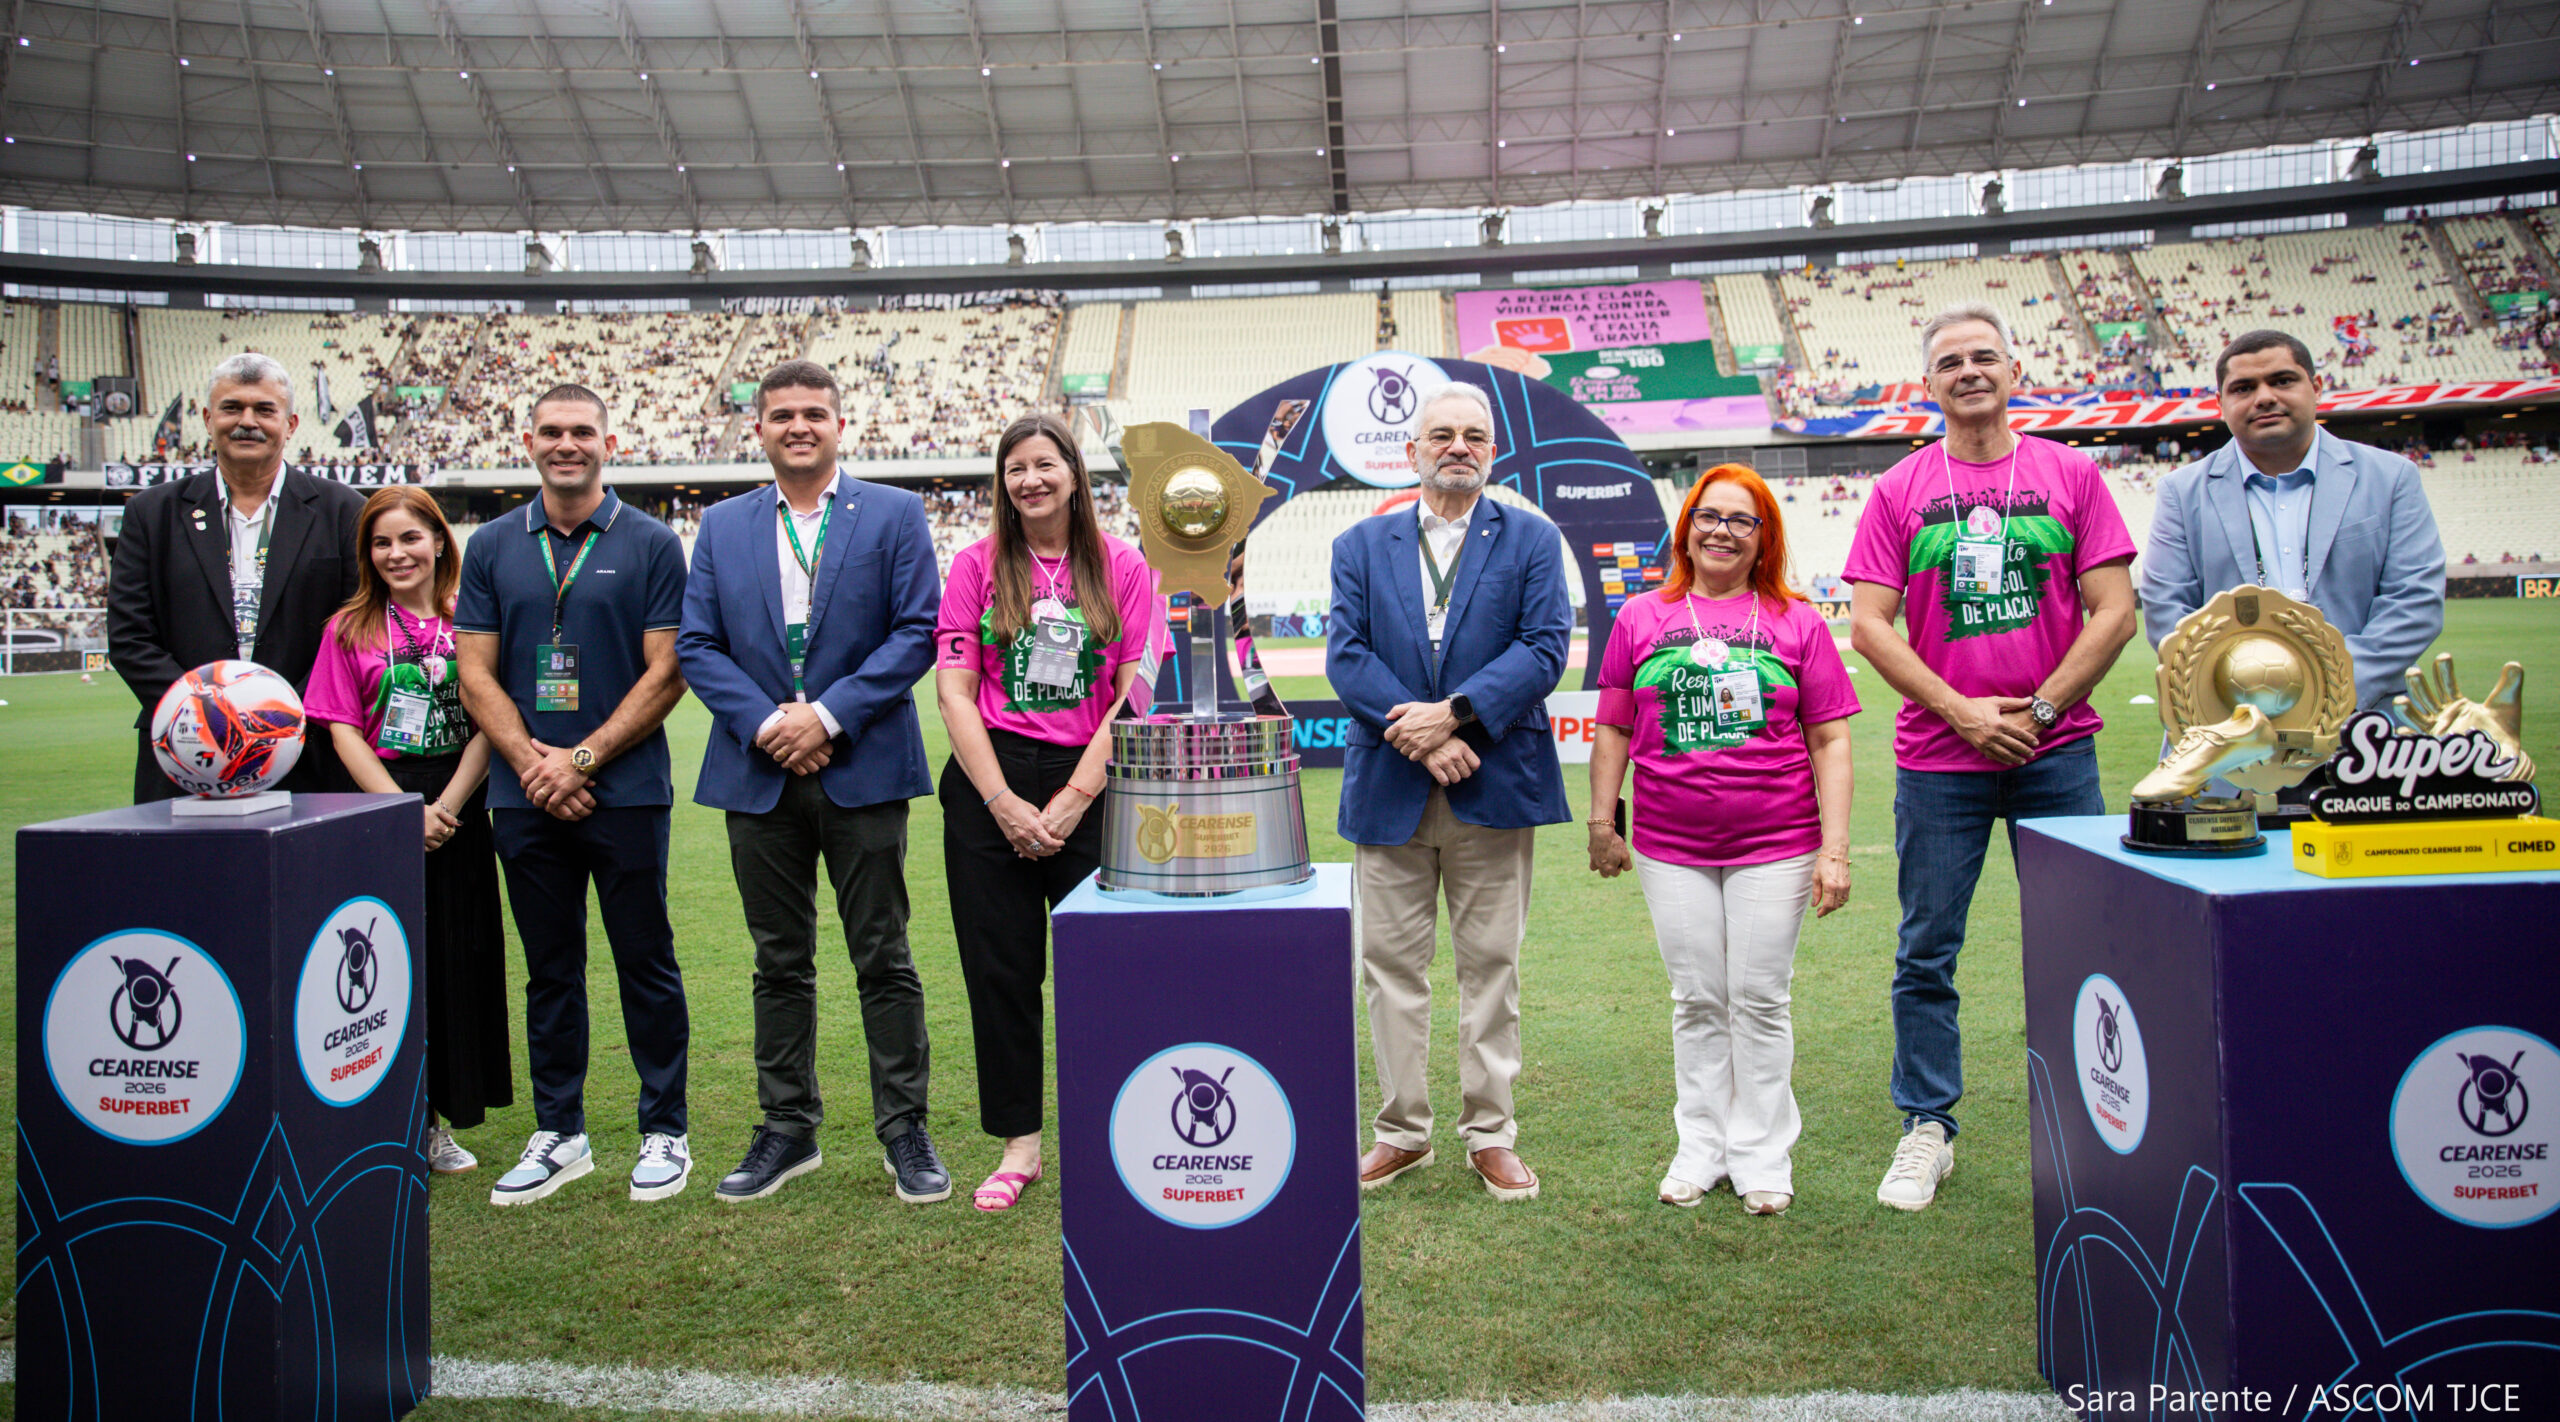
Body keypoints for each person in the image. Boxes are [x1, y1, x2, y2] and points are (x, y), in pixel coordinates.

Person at [1844, 303, 2138, 1212]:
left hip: (2059, 752)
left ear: (2015, 372)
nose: (1969, 372)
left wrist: (2042, 709)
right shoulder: (1899, 488)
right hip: (1940, 758)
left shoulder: (2072, 473)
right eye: (1949, 363)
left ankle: (2104, 1123)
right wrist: (1966, 714)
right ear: (1927, 386)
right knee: (1927, 948)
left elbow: (2115, 610)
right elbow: (1868, 625)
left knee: (2087, 942)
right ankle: (1926, 1127)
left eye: (1984, 358)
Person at [677, 361, 948, 1206]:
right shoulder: (721, 526)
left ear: (840, 425)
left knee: (885, 955)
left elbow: (916, 633)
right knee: (778, 961)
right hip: (758, 771)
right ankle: (787, 1129)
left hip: (860, 765)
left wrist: (825, 718)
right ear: (757, 427)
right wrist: (770, 725)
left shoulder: (896, 513)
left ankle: (904, 1129)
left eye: (814, 413)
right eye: (782, 414)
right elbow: (698, 646)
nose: (799, 425)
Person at [1586, 464, 1858, 1217]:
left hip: (1778, 840)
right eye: (1709, 516)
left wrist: (1835, 849)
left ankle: (1762, 1154)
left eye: (1742, 520)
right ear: (1687, 526)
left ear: (1763, 535)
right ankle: (1701, 1147)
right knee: (1698, 998)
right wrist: (1602, 823)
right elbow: (1611, 728)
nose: (1721, 531)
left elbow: (1831, 740)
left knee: (1761, 999)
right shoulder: (1642, 616)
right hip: (1672, 844)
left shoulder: (1797, 621)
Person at [1327, 381, 1572, 1202]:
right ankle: (1401, 1133)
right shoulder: (1361, 546)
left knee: (1490, 969)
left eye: (1474, 435)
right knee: (1389, 968)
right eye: (1441, 435)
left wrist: (1456, 718)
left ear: (1492, 452)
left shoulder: (1532, 540)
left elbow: (1544, 650)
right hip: (1395, 784)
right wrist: (1425, 739)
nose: (1457, 446)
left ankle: (1490, 1132)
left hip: (1493, 783)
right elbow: (1347, 658)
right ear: (1413, 450)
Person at [455, 383, 694, 1207]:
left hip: (624, 791)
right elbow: (475, 672)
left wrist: (580, 759)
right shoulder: (489, 545)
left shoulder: (654, 541)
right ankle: (561, 1132)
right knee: (549, 969)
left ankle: (666, 1130)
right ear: (529, 441)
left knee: (645, 963)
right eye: (552, 432)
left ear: (609, 441)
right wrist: (532, 763)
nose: (567, 444)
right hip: (523, 797)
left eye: (582, 432)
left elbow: (668, 672)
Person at [934, 412, 1164, 1212]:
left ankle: (1119, 1135)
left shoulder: (1123, 566)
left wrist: (1070, 802)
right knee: (1000, 972)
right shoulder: (975, 564)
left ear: (1073, 473)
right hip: (989, 777)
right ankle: (1019, 1146)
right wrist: (1000, 800)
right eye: (1014, 469)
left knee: (1108, 973)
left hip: (1092, 780)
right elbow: (954, 690)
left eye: (1045, 464)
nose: (1030, 480)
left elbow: (1136, 693)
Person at [304, 486, 511, 1175]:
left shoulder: (471, 620)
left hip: (458, 806)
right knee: (382, 967)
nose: (397, 554)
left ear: (439, 542)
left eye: (410, 538)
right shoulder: (349, 627)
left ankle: (438, 1122)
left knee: (455, 961)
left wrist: (445, 808)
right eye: (382, 543)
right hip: (376, 809)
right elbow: (339, 726)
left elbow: (491, 720)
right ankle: (386, 1112)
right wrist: (401, 810)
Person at [2138, 329, 2444, 720]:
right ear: (2220, 403)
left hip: (2367, 729)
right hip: (2231, 733)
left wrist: (2328, 690)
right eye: (2243, 388)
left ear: (2316, 387)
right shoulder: (2180, 492)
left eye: (2282, 381)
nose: (2264, 397)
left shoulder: (2391, 477)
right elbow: (2168, 612)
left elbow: (2414, 601)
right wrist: (2238, 691)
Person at [107, 352, 366, 801]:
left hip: (309, 753)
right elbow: (130, 636)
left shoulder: (344, 510)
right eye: (232, 408)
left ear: (291, 423)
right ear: (208, 419)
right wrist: (201, 716)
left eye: (265, 409)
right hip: (185, 750)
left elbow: (357, 628)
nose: (248, 421)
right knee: (186, 874)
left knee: (302, 874)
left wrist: (278, 716)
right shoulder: (151, 514)